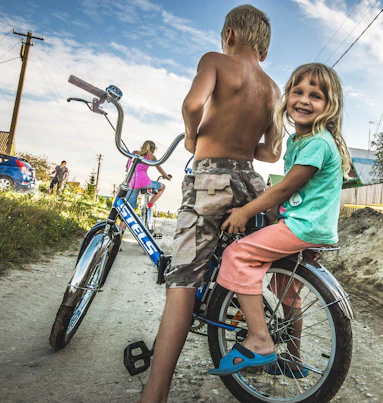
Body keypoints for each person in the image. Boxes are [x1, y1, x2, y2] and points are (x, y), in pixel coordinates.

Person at [139, 5, 280, 402]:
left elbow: (192, 105)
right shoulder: (272, 88)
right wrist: (240, 143)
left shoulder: (215, 62)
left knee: (182, 281)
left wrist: (192, 137)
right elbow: (272, 151)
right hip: (251, 182)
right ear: (264, 52)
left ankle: (155, 391)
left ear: (229, 36)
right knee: (237, 258)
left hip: (210, 179)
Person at [208, 63, 351, 377]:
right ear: (287, 98)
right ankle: (295, 361)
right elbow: (289, 191)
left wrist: (247, 211)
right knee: (286, 288)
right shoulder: (299, 142)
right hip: (304, 223)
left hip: (303, 226)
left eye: (315, 96)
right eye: (298, 92)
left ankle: (259, 339)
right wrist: (269, 209)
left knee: (237, 255)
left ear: (330, 106)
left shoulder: (317, 142)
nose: (303, 100)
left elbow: (286, 187)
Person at [120, 140, 170, 231]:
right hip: (145, 183)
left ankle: (119, 234)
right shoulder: (152, 157)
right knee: (162, 187)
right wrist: (165, 176)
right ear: (153, 149)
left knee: (127, 211)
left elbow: (127, 167)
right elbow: (159, 169)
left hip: (132, 184)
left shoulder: (134, 153)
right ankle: (150, 203)